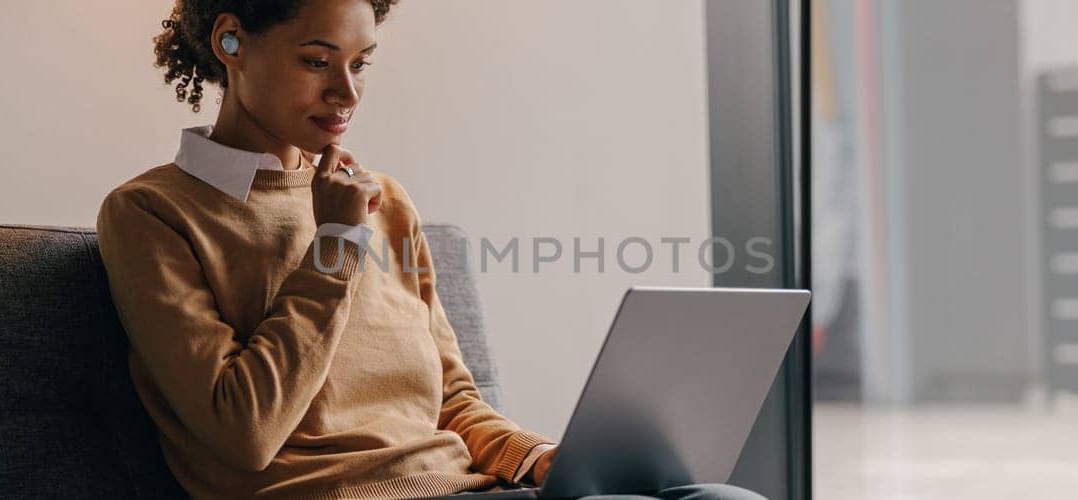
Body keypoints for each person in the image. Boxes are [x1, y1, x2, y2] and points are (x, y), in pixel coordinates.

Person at [96, 1, 764, 498]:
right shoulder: (152, 213)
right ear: (231, 40)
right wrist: (334, 243)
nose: (347, 92)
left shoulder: (383, 200)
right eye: (316, 61)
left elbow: (453, 399)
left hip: (472, 488)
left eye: (360, 64)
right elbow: (243, 431)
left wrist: (537, 457)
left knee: (720, 497)